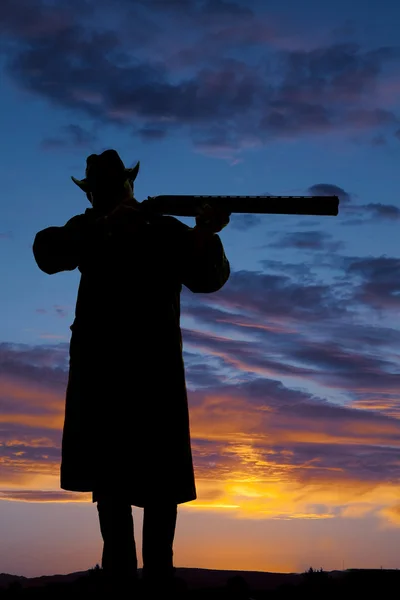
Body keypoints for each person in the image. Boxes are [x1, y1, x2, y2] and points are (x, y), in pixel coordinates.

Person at [32, 149, 231, 594]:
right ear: (93, 192)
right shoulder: (85, 229)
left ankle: (158, 584)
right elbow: (45, 252)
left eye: (114, 184)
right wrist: (103, 229)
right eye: (101, 186)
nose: (110, 191)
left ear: (128, 186)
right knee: (111, 487)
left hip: (154, 374)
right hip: (101, 376)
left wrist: (206, 230)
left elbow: (209, 277)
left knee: (160, 489)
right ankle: (121, 584)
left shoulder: (162, 228)